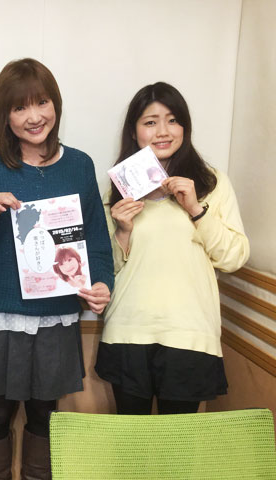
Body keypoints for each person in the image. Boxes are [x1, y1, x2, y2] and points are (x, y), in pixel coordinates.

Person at [0, 58, 114, 480]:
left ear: (56, 104)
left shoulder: (80, 165)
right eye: (19, 107)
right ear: (4, 116)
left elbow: (96, 237)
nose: (33, 116)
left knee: (44, 415)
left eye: (41, 102)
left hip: (55, 315)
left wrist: (100, 284)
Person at [95, 82, 250, 415]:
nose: (163, 131)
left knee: (177, 441)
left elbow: (234, 257)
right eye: (150, 122)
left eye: (173, 120)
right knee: (131, 438)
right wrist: (122, 231)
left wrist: (196, 209)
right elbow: (104, 270)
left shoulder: (212, 183)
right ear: (134, 131)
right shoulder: (115, 191)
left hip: (190, 333)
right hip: (128, 330)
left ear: (185, 127)